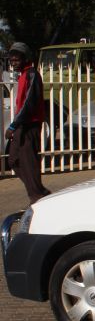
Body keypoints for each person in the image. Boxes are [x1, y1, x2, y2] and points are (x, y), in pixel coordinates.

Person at [4, 42, 50, 203]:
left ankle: (37, 195)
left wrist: (13, 125)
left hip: (29, 125)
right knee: (13, 160)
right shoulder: (23, 75)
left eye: (16, 59)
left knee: (28, 162)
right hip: (22, 125)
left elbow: (29, 104)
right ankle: (38, 190)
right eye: (11, 60)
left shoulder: (32, 74)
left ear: (25, 59)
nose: (13, 62)